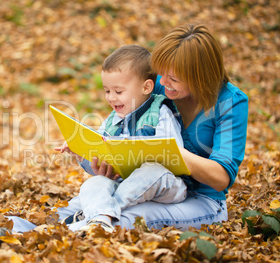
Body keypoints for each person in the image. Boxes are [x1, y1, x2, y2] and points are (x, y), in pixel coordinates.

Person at [0, 23, 248, 236]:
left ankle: (28, 239)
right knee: (84, 201)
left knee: (126, 216)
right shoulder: (157, 87)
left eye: (174, 78)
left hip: (200, 201)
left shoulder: (230, 103)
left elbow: (222, 177)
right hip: (138, 185)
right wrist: (98, 155)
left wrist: (175, 155)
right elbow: (119, 129)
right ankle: (1, 228)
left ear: (199, 75)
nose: (164, 83)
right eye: (161, 74)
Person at [55, 44, 187, 232]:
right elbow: (99, 164)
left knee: (150, 170)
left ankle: (94, 211)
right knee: (95, 183)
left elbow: (174, 156)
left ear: (146, 87)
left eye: (118, 91)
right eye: (107, 91)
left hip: (165, 183)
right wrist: (81, 152)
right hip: (125, 185)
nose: (111, 98)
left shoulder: (160, 113)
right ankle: (100, 219)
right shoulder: (112, 119)